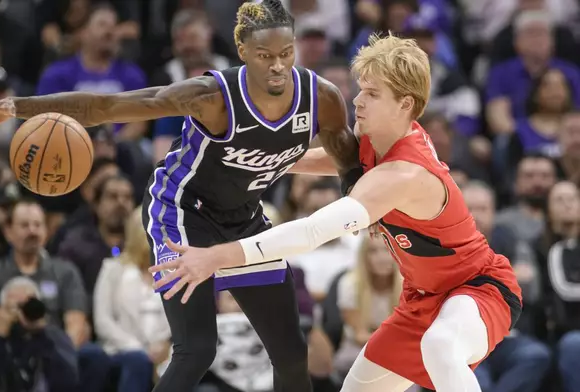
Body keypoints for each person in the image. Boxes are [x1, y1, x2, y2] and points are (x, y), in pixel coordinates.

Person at [0, 1, 362, 391]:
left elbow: (348, 159)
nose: (277, 66)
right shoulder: (211, 96)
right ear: (241, 52)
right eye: (264, 55)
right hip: (182, 213)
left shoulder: (320, 98)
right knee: (197, 350)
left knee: (292, 352)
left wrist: (367, 207)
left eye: (286, 53)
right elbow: (108, 106)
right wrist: (18, 107)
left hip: (243, 217)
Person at [149, 34, 524, 392]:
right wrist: (257, 158)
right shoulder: (381, 140)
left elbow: (312, 231)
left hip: (477, 289)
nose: (357, 100)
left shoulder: (405, 173)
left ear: (405, 104)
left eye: (372, 94)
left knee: (441, 345)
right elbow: (324, 158)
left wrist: (216, 256)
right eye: (361, 89)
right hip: (421, 298)